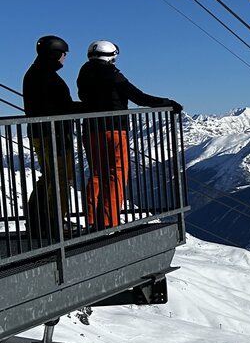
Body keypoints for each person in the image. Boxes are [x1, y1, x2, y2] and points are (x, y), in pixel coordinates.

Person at [76, 40, 182, 231]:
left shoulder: (84, 72)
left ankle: (92, 219)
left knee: (97, 174)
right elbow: (139, 97)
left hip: (90, 130)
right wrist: (167, 102)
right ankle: (110, 222)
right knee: (116, 175)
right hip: (114, 130)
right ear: (111, 56)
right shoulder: (113, 75)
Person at [21, 34, 83, 242]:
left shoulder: (35, 73)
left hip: (42, 132)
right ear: (55, 53)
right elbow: (61, 106)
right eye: (64, 54)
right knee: (60, 179)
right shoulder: (47, 76)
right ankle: (53, 222)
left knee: (49, 177)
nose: (65, 58)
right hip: (53, 134)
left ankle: (38, 220)